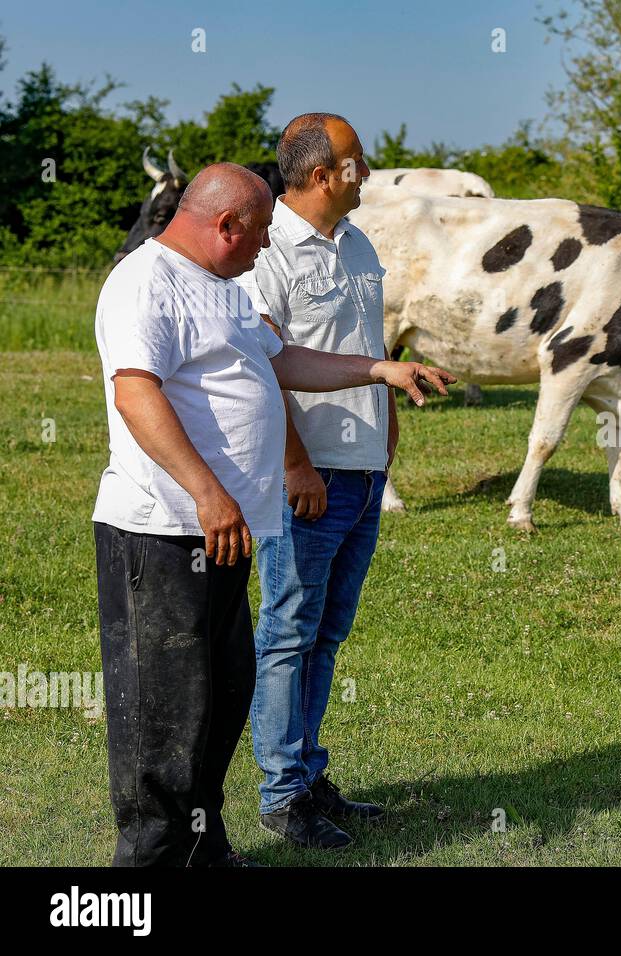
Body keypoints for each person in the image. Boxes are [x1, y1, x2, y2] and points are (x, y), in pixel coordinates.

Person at [92, 162, 453, 866]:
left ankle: (204, 847)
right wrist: (207, 490)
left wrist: (381, 370)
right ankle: (148, 865)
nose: (265, 249)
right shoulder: (145, 282)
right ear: (224, 224)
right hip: (162, 529)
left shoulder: (222, 288)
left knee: (222, 694)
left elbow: (283, 359)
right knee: (166, 708)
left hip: (222, 532)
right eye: (258, 235)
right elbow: (136, 394)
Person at [234, 112, 398, 849]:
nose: (367, 171)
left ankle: (305, 771)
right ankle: (281, 796)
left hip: (364, 471)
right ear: (323, 175)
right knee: (288, 633)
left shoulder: (359, 243)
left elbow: (370, 347)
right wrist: (296, 463)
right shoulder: (268, 251)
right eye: (357, 162)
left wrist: (389, 430)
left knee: (326, 633)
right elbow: (261, 367)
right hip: (308, 476)